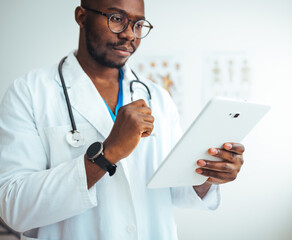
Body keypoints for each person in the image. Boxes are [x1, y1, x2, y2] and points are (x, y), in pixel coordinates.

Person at [0, 0, 245, 239]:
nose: (130, 34)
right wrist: (106, 154)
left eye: (138, 24)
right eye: (117, 19)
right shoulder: (29, 93)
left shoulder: (157, 98)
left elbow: (179, 191)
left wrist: (209, 175)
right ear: (81, 17)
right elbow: (14, 208)